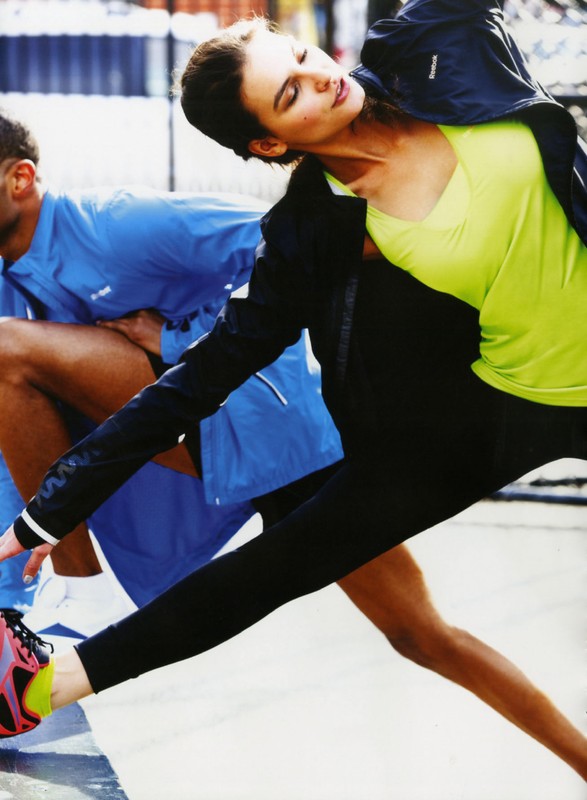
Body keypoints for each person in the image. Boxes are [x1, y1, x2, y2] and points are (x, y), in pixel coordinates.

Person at [0, 0, 586, 782]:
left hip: (366, 416)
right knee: (292, 564)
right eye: (289, 95)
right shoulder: (315, 226)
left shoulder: (431, 48)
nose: (320, 80)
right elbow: (204, 376)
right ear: (271, 142)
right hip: (508, 400)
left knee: (405, 623)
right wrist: (48, 513)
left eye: (303, 61)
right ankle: (38, 687)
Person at [0, 108, 341, 637]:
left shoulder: (116, 222)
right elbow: (13, 451)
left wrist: (178, 336)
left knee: (418, 634)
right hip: (188, 434)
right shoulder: (11, 281)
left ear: (20, 178)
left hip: (263, 422)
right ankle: (80, 592)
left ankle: (85, 591)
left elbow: (286, 243)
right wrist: (10, 600)